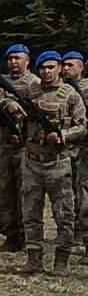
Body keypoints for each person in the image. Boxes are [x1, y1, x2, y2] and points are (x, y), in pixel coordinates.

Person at [0, 51, 85, 275]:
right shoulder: (30, 90)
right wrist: (9, 104)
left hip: (58, 163)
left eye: (51, 67)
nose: (47, 72)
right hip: (32, 161)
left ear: (59, 69)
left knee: (64, 215)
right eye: (43, 68)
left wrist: (63, 135)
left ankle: (61, 261)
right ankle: (33, 259)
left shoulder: (70, 95)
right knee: (31, 214)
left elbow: (82, 126)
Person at [0, 43, 38, 251]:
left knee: (26, 192)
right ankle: (10, 235)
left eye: (17, 58)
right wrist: (6, 103)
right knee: (4, 191)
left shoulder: (35, 83)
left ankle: (28, 235)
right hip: (4, 144)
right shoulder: (0, 83)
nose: (13, 62)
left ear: (27, 61)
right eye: (10, 59)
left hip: (26, 146)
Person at [65, 51, 88, 256]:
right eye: (64, 65)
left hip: (83, 148)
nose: (66, 68)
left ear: (81, 67)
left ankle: (81, 234)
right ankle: (74, 233)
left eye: (70, 65)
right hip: (70, 147)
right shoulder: (63, 90)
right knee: (72, 193)